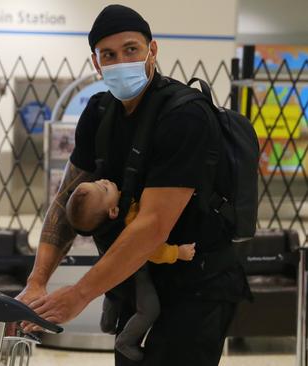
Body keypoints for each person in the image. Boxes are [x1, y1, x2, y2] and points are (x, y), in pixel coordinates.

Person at [17, 5, 250, 366]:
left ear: (152, 50)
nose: (120, 60)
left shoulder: (184, 115)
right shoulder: (98, 113)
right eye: (108, 54)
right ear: (96, 63)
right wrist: (37, 282)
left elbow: (153, 225)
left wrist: (80, 294)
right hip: (138, 280)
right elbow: (67, 200)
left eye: (131, 49)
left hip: (198, 283)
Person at [66, 179, 196, 361]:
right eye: (103, 188)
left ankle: (107, 322)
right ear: (113, 211)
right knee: (149, 310)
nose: (103, 180)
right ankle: (126, 341)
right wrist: (177, 252)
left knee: (112, 292)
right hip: (135, 275)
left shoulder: (100, 227)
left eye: (97, 181)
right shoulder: (127, 218)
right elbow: (151, 247)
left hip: (110, 279)